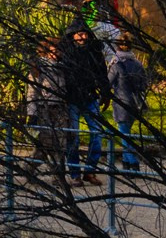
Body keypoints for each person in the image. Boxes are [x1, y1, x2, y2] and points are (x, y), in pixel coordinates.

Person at [60, 25, 111, 178]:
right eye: (79, 34)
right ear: (73, 35)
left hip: (90, 96)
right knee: (73, 137)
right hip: (71, 98)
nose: (82, 37)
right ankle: (75, 173)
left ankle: (90, 170)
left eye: (84, 34)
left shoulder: (94, 52)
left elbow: (102, 73)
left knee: (97, 134)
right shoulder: (65, 53)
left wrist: (105, 93)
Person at [102, 24, 147, 173]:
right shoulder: (138, 64)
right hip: (135, 103)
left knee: (124, 136)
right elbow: (144, 84)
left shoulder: (116, 64)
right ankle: (126, 163)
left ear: (117, 46)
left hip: (121, 103)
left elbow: (108, 83)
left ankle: (133, 163)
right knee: (126, 133)